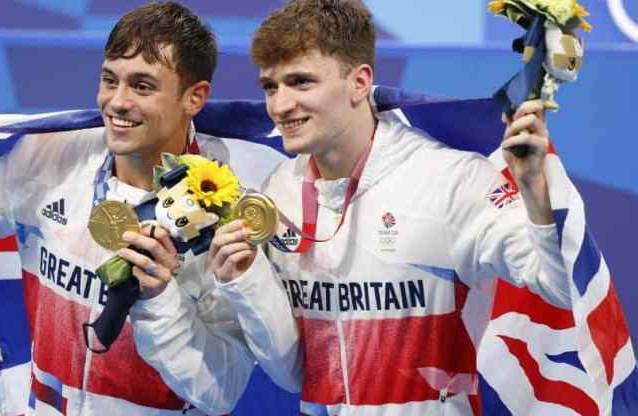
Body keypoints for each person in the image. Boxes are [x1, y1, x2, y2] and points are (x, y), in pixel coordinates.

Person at [0, 2, 297, 415]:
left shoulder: (225, 215)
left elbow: (220, 391)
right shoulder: (53, 156)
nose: (118, 102)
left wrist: (158, 299)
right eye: (110, 80)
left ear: (194, 97)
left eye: (142, 86)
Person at [208, 0, 578, 414]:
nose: (280, 105)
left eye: (301, 82)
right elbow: (294, 374)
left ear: (360, 82)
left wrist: (536, 196)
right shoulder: (278, 193)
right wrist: (244, 282)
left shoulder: (450, 180)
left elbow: (560, 288)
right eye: (270, 87)